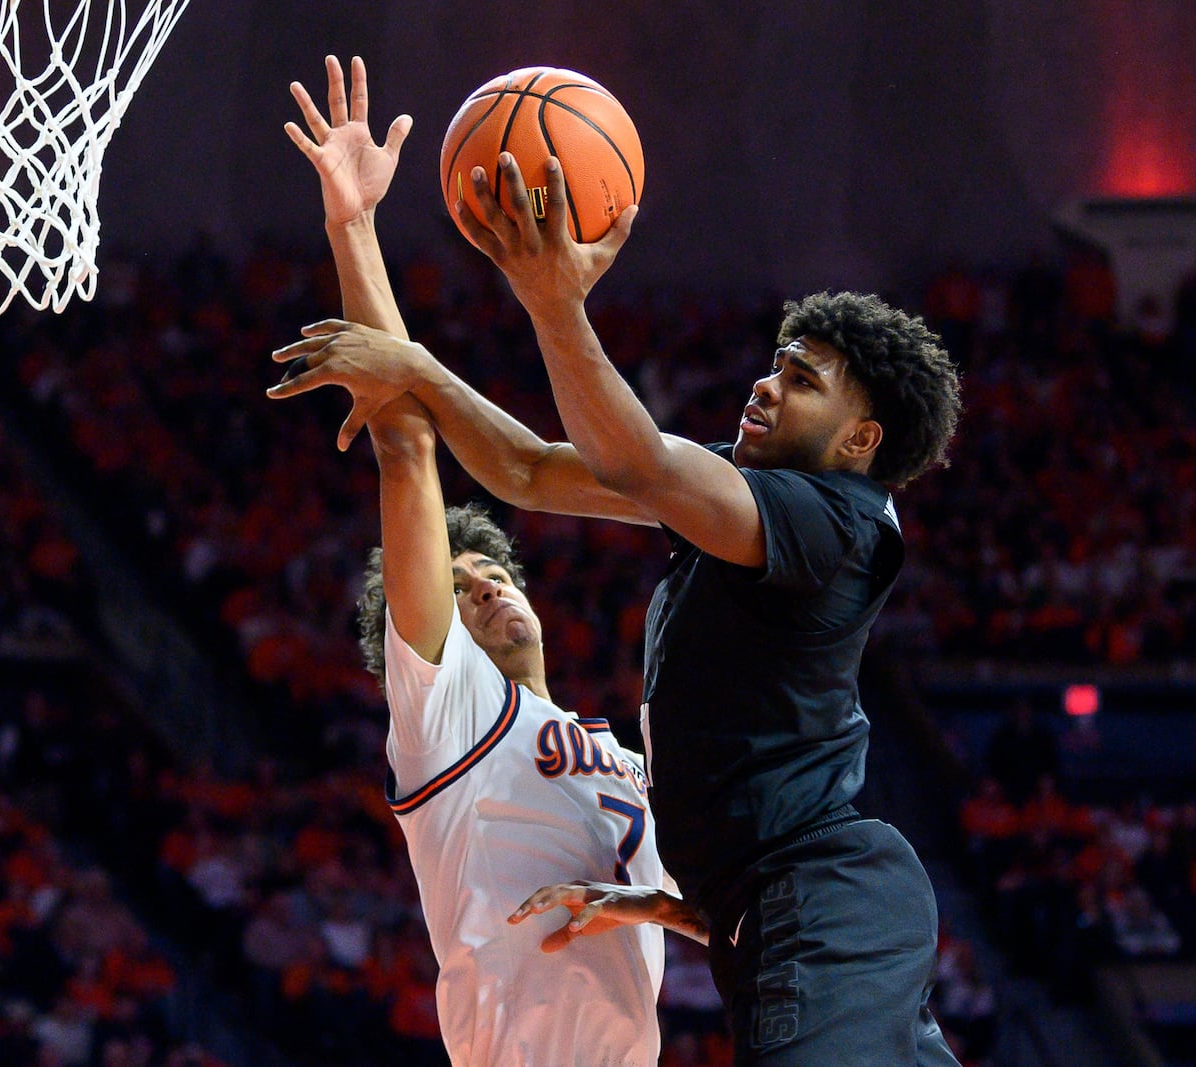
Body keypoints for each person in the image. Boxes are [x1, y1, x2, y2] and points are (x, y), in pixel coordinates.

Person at [270, 108, 962, 1065]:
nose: (764, 384)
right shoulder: (472, 704)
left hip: (820, 896)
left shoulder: (834, 517)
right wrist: (666, 903)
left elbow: (628, 458)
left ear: (860, 441)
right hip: (771, 914)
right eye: (774, 364)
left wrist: (547, 308)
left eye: (800, 380)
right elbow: (526, 471)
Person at [272, 56, 683, 1067]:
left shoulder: (622, 750)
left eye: (492, 570)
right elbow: (405, 441)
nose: (489, 582)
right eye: (458, 588)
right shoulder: (446, 705)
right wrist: (352, 222)